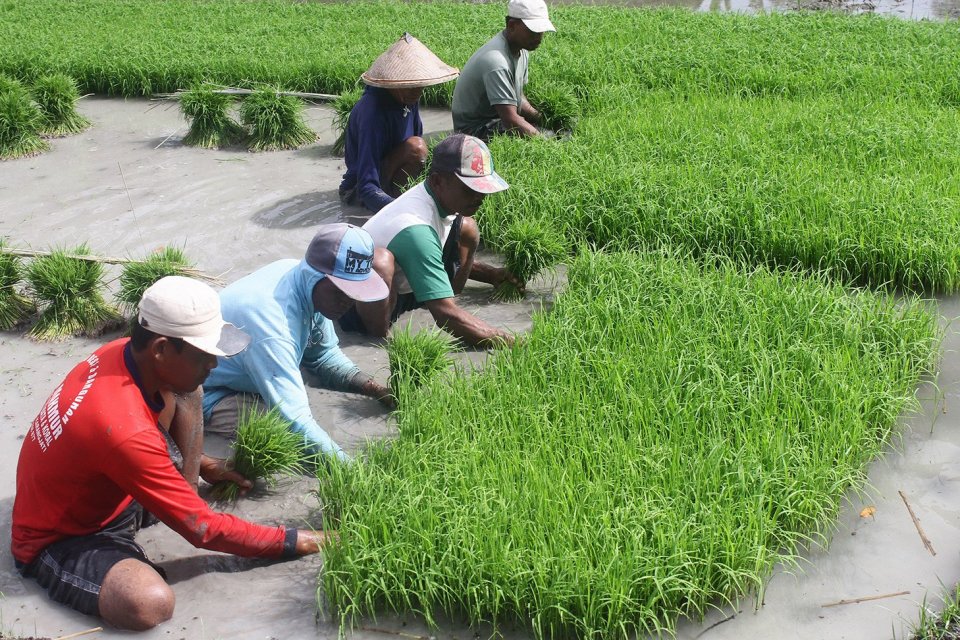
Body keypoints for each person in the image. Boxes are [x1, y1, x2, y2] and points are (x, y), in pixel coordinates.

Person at [11, 276, 329, 631]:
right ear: (161, 348)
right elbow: (203, 531)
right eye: (204, 354)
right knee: (150, 603)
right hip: (64, 536)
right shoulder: (122, 429)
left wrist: (203, 464)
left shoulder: (120, 351)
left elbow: (174, 398)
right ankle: (153, 527)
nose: (213, 363)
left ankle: (185, 492)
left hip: (112, 488)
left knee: (187, 386)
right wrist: (299, 539)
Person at [202, 223, 391, 461]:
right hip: (206, 390)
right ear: (315, 276)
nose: (348, 302)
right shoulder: (271, 323)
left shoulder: (301, 279)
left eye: (353, 292)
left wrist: (376, 390)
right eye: (340, 291)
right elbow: (295, 419)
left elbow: (323, 357)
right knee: (274, 434)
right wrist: (356, 472)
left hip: (246, 371)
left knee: (300, 384)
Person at [339, 134, 520, 348]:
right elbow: (445, 316)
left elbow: (431, 257)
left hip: (404, 286)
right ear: (437, 181)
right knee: (380, 262)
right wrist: (510, 340)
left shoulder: (442, 202)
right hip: (359, 305)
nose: (479, 197)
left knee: (467, 228)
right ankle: (379, 341)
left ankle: (437, 294)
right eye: (469, 189)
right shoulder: (416, 228)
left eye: (482, 189)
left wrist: (491, 274)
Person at [339, 33, 459, 213]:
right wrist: (403, 212)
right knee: (416, 147)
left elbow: (420, 159)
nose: (416, 91)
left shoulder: (409, 99)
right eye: (410, 85)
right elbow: (366, 187)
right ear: (393, 83)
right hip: (359, 192)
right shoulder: (372, 113)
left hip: (389, 179)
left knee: (425, 150)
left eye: (420, 85)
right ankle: (396, 201)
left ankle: (399, 197)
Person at [451, 0, 556, 140]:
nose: (539, 37)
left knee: (555, 131)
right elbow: (510, 120)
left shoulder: (521, 50)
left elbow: (518, 97)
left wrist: (542, 118)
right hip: (474, 130)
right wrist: (547, 142)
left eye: (541, 31)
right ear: (512, 25)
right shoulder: (496, 61)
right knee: (550, 138)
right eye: (533, 31)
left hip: (497, 118)